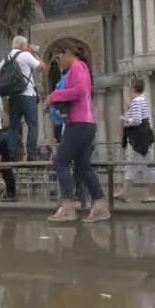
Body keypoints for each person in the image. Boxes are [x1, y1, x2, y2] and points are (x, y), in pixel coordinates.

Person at [45, 41, 109, 222]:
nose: (59, 63)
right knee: (83, 166)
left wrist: (54, 96)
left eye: (58, 58)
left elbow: (80, 91)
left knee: (60, 162)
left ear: (67, 53)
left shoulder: (77, 67)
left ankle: (67, 208)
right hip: (86, 123)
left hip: (78, 123)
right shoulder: (80, 68)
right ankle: (100, 207)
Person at [0, 35, 47, 161]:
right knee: (32, 124)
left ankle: (12, 154)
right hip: (27, 95)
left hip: (12, 98)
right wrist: (34, 53)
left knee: (14, 126)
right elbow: (42, 67)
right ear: (21, 46)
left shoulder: (4, 60)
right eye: (26, 45)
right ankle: (31, 153)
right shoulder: (26, 55)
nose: (27, 47)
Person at [115, 79, 155, 203]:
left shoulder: (136, 101)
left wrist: (125, 119)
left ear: (133, 88)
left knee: (148, 166)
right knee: (132, 165)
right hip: (142, 137)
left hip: (140, 138)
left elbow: (137, 120)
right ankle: (125, 193)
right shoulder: (143, 100)